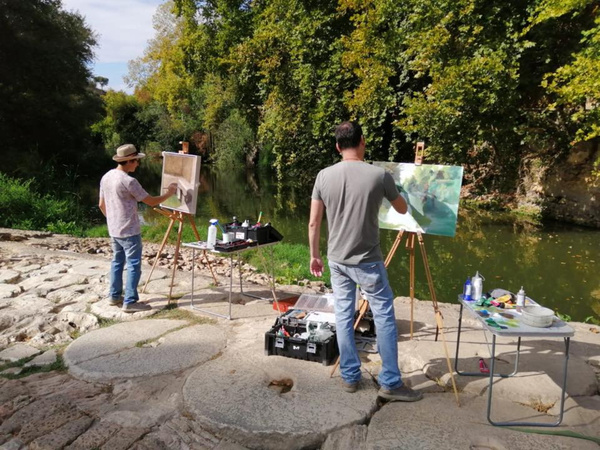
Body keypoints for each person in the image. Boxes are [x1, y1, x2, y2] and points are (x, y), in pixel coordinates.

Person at [308, 121, 423, 402]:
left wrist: (314, 254)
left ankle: (350, 377)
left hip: (336, 259)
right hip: (368, 261)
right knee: (383, 315)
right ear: (363, 141)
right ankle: (391, 382)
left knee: (343, 316)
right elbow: (402, 208)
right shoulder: (379, 176)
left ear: (338, 146)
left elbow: (313, 222)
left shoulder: (323, 176)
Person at [99, 144, 177, 313]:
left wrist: (113, 220)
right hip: (130, 230)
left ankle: (114, 296)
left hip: (114, 229)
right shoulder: (129, 181)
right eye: (136, 161)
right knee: (134, 265)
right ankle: (130, 302)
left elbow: (101, 204)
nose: (138, 164)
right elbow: (151, 201)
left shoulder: (106, 177)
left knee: (117, 262)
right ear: (129, 161)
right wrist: (170, 193)